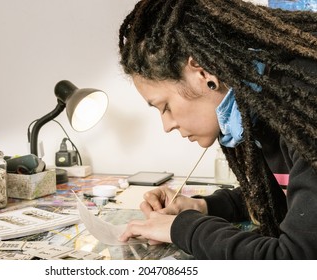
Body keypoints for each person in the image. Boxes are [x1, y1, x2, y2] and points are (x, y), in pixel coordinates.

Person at [117, 0, 317, 259]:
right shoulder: (263, 105)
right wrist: (202, 206)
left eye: (164, 106)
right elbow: (286, 197)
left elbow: (296, 259)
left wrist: (183, 229)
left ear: (202, 73)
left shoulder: (306, 105)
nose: (167, 126)